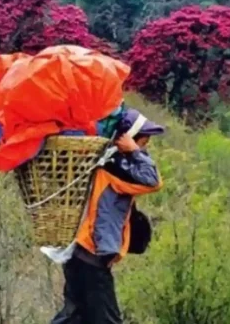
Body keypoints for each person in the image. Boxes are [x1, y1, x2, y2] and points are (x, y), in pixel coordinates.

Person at [51, 108, 164, 324]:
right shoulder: (114, 168)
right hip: (92, 257)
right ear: (126, 140)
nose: (145, 147)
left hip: (79, 255)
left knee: (74, 317)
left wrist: (132, 152)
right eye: (142, 141)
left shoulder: (106, 163)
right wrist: (133, 152)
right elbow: (153, 181)